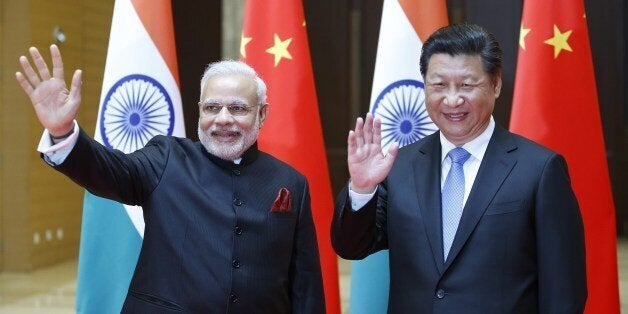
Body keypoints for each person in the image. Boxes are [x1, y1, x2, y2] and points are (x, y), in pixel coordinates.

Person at [16, 45, 325, 313]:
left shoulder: (290, 182)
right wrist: (63, 132)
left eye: (238, 108)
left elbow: (305, 284)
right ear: (200, 111)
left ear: (262, 115)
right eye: (212, 107)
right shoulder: (167, 159)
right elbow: (109, 169)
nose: (223, 119)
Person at [331, 24, 587, 313]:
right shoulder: (398, 166)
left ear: (496, 84)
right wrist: (363, 189)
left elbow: (564, 290)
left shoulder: (539, 170)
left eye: (467, 85)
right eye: (439, 85)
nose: (452, 100)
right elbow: (352, 247)